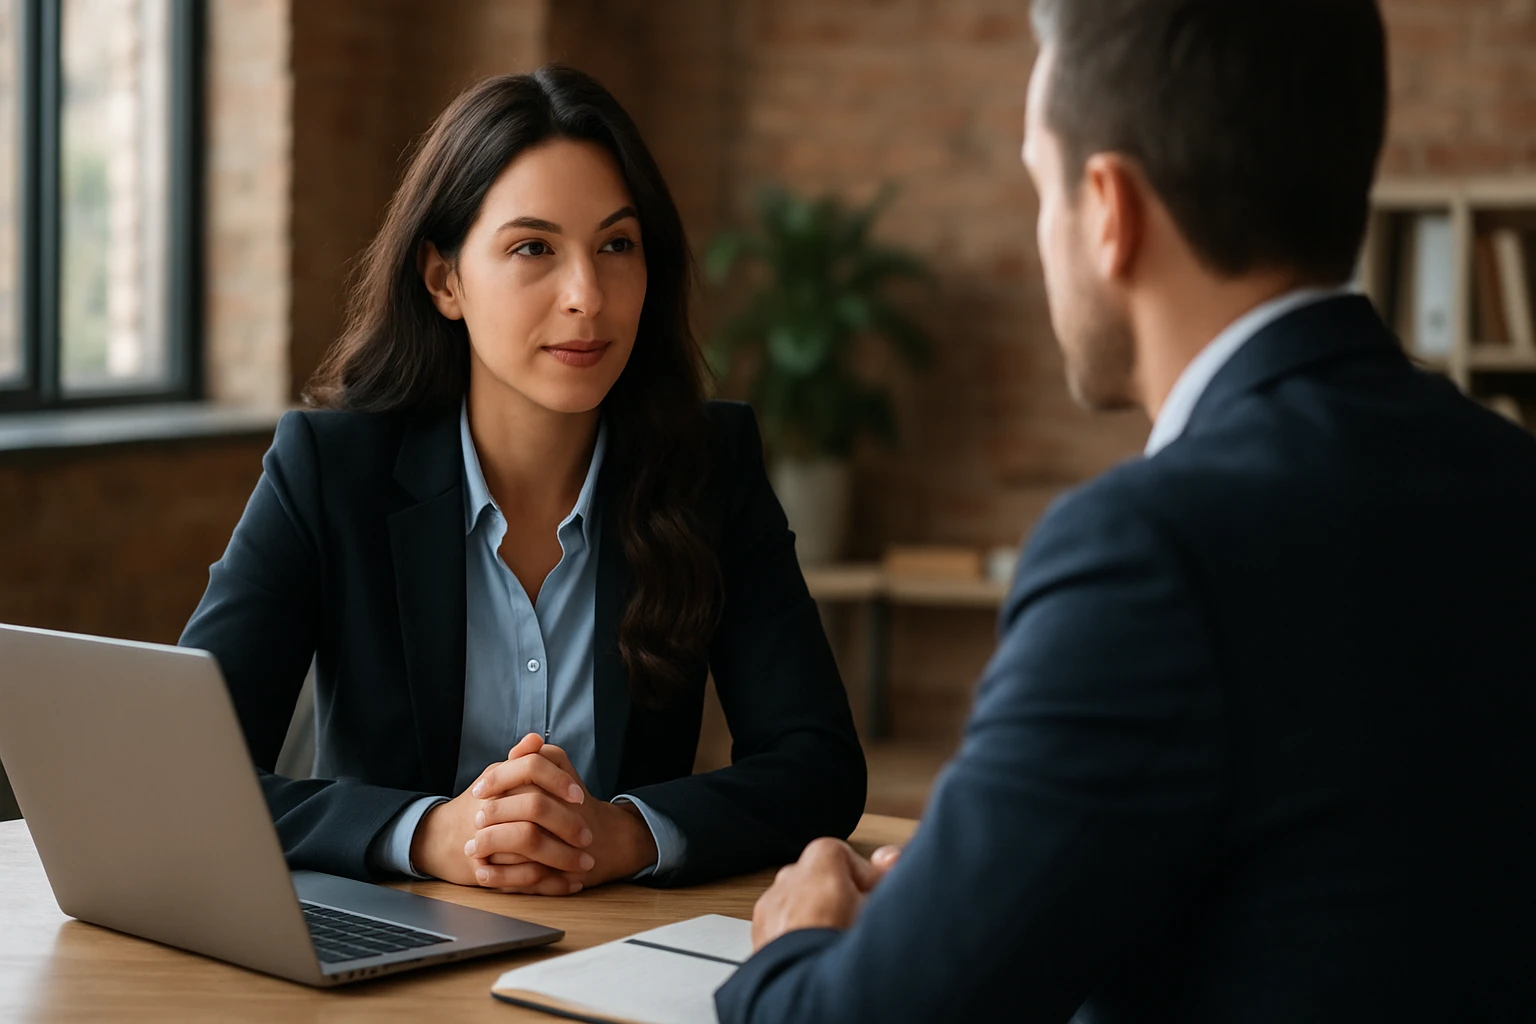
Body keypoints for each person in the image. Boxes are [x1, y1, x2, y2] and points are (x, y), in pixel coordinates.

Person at [717, 1, 1536, 1021]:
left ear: (1108, 209)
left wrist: (796, 939)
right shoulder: (1511, 471)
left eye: (1041, 187)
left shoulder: (1147, 551)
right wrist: (990, 874)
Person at [180, 66, 865, 896]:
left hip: (619, 940)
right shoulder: (328, 470)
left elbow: (818, 764)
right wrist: (426, 833)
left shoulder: (708, 466)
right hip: (390, 941)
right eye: (533, 248)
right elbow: (184, 771)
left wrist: (626, 833)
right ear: (445, 280)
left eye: (616, 245)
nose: (587, 296)